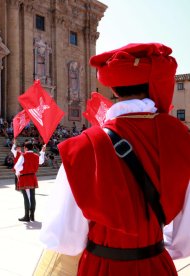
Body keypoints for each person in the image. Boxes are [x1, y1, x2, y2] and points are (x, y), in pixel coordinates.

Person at [37, 43, 190, 276]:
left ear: (115, 90)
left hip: (102, 267)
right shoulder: (182, 139)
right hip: (156, 264)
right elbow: (185, 237)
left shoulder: (83, 146)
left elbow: (62, 239)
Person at [14, 142, 45, 222]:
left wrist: (18, 172)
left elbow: (16, 166)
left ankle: (27, 216)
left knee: (26, 198)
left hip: (25, 177)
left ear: (26, 148)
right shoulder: (36, 156)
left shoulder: (23, 155)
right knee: (32, 197)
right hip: (32, 177)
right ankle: (32, 216)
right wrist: (42, 152)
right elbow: (41, 161)